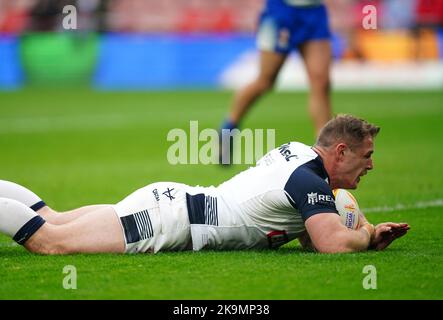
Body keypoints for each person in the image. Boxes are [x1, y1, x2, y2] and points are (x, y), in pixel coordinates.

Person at [0, 115, 409, 255]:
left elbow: (307, 229)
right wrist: (368, 233)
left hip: (171, 202)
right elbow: (331, 243)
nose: (371, 164)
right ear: (339, 151)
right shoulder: (307, 181)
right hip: (170, 220)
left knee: (50, 219)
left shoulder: (300, 155)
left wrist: (351, 219)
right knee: (49, 242)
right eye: (366, 155)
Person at [219, 0, 333, 164]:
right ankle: (228, 129)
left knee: (321, 82)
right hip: (282, 11)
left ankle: (324, 152)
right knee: (265, 81)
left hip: (314, 12)